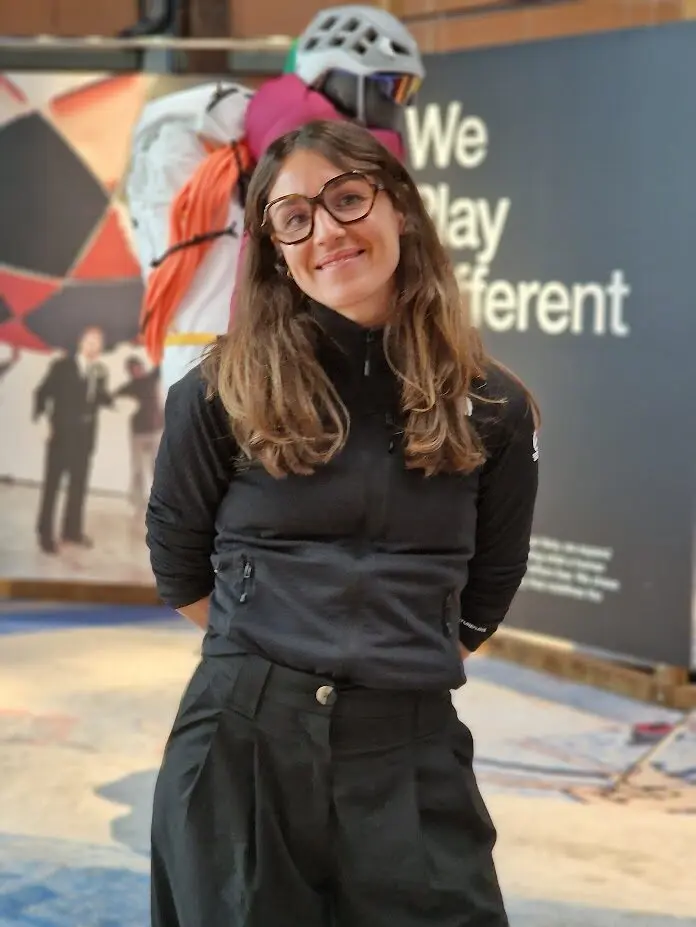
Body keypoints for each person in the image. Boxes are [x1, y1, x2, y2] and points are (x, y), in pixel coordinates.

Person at [145, 119, 540, 927]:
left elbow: (488, 588)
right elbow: (179, 565)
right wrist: (283, 655)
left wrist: (383, 667)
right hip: (242, 750)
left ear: (397, 207)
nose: (327, 229)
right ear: (278, 252)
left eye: (347, 198)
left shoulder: (495, 405)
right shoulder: (219, 392)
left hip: (411, 748)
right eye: (294, 218)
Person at [126, 4, 424, 398]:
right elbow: (255, 263)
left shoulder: (270, 129)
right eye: (392, 86)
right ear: (340, 79)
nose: (398, 104)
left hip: (252, 361)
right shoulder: (269, 130)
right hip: (228, 364)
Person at [33, 325, 111, 554]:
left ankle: (71, 531)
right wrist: (42, 421)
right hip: (60, 435)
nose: (94, 345)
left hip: (85, 439)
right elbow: (41, 392)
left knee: (78, 487)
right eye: (91, 340)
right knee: (52, 486)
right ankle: (45, 533)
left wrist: (115, 403)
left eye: (98, 342)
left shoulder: (100, 371)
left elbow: (100, 398)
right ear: (81, 341)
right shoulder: (62, 365)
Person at [112, 356, 163, 515]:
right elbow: (113, 397)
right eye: (133, 370)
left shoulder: (151, 378)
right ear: (130, 372)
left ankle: (160, 500)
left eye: (138, 368)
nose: (136, 371)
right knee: (138, 469)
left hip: (155, 431)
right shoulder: (128, 387)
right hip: (137, 434)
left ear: (142, 367)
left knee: (157, 468)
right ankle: (138, 502)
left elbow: (162, 362)